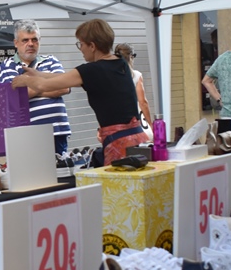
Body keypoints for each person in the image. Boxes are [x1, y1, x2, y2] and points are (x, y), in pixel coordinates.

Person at [11, 19, 143, 164]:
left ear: (92, 46)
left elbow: (45, 85)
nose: (80, 49)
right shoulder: (119, 63)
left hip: (117, 143)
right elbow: (64, 78)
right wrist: (36, 73)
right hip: (136, 137)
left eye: (81, 44)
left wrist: (25, 81)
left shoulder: (91, 70)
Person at [0, 21, 72, 155]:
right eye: (25, 40)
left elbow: (64, 87)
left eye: (34, 40)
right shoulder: (7, 65)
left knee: (60, 174)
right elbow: (13, 98)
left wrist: (29, 84)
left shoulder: (51, 60)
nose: (30, 44)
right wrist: (46, 83)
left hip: (57, 131)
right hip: (27, 134)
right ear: (16, 43)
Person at [114, 43, 154, 140]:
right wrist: (151, 125)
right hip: (134, 122)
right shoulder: (136, 76)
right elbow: (143, 103)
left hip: (115, 124)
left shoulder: (109, 76)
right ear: (131, 57)